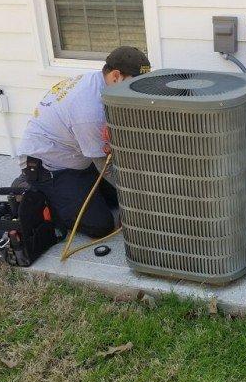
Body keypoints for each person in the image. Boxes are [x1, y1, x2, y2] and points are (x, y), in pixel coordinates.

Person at [16, 46, 151, 238]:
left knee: (116, 199)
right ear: (116, 76)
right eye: (134, 83)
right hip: (49, 167)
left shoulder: (100, 82)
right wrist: (139, 198)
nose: (138, 90)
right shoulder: (90, 110)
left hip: (79, 157)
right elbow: (105, 165)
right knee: (100, 225)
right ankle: (32, 190)